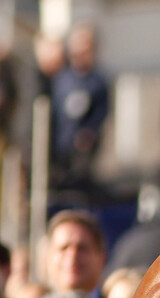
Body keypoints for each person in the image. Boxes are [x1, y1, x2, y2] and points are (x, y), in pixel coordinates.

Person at [49, 23, 109, 194]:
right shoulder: (62, 78)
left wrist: (90, 132)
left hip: (83, 153)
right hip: (60, 150)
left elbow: (102, 112)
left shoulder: (97, 81)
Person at [32, 210, 107, 298]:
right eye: (63, 248)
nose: (72, 256)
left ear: (101, 257)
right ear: (48, 257)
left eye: (82, 248)